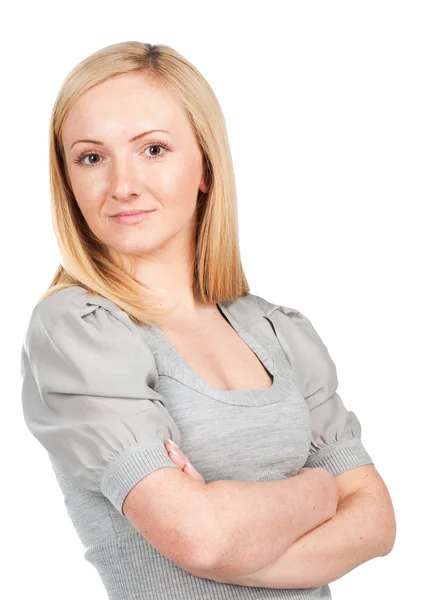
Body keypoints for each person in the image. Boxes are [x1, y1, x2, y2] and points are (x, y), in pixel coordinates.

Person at [20, 41, 396, 600]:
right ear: (69, 180)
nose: (122, 184)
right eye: (91, 157)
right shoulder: (79, 329)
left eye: (153, 149)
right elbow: (202, 540)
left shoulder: (278, 331)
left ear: (204, 165)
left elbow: (377, 523)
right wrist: (319, 492)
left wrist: (239, 542)